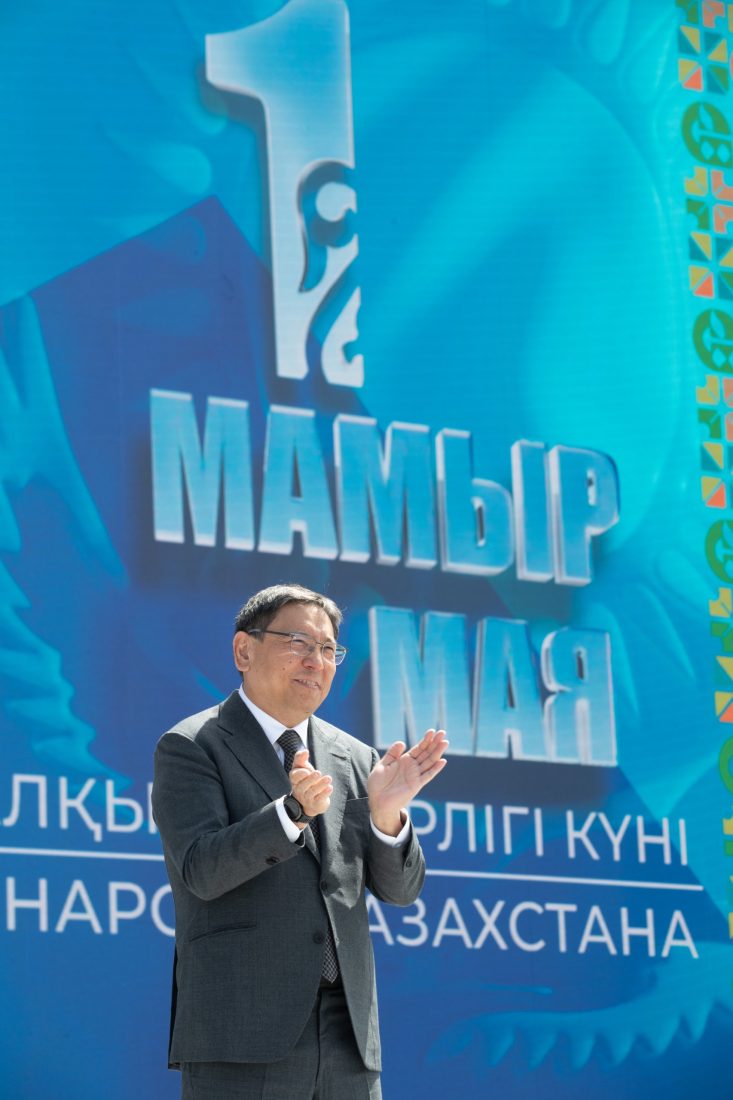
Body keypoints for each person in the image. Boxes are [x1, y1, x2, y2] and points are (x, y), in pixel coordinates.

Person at [152, 583, 448, 1100]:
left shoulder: (357, 758)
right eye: (298, 643)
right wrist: (290, 814)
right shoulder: (193, 744)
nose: (317, 661)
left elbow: (400, 891)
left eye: (329, 649)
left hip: (347, 1034)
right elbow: (201, 868)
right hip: (242, 1031)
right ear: (244, 650)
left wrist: (387, 815)